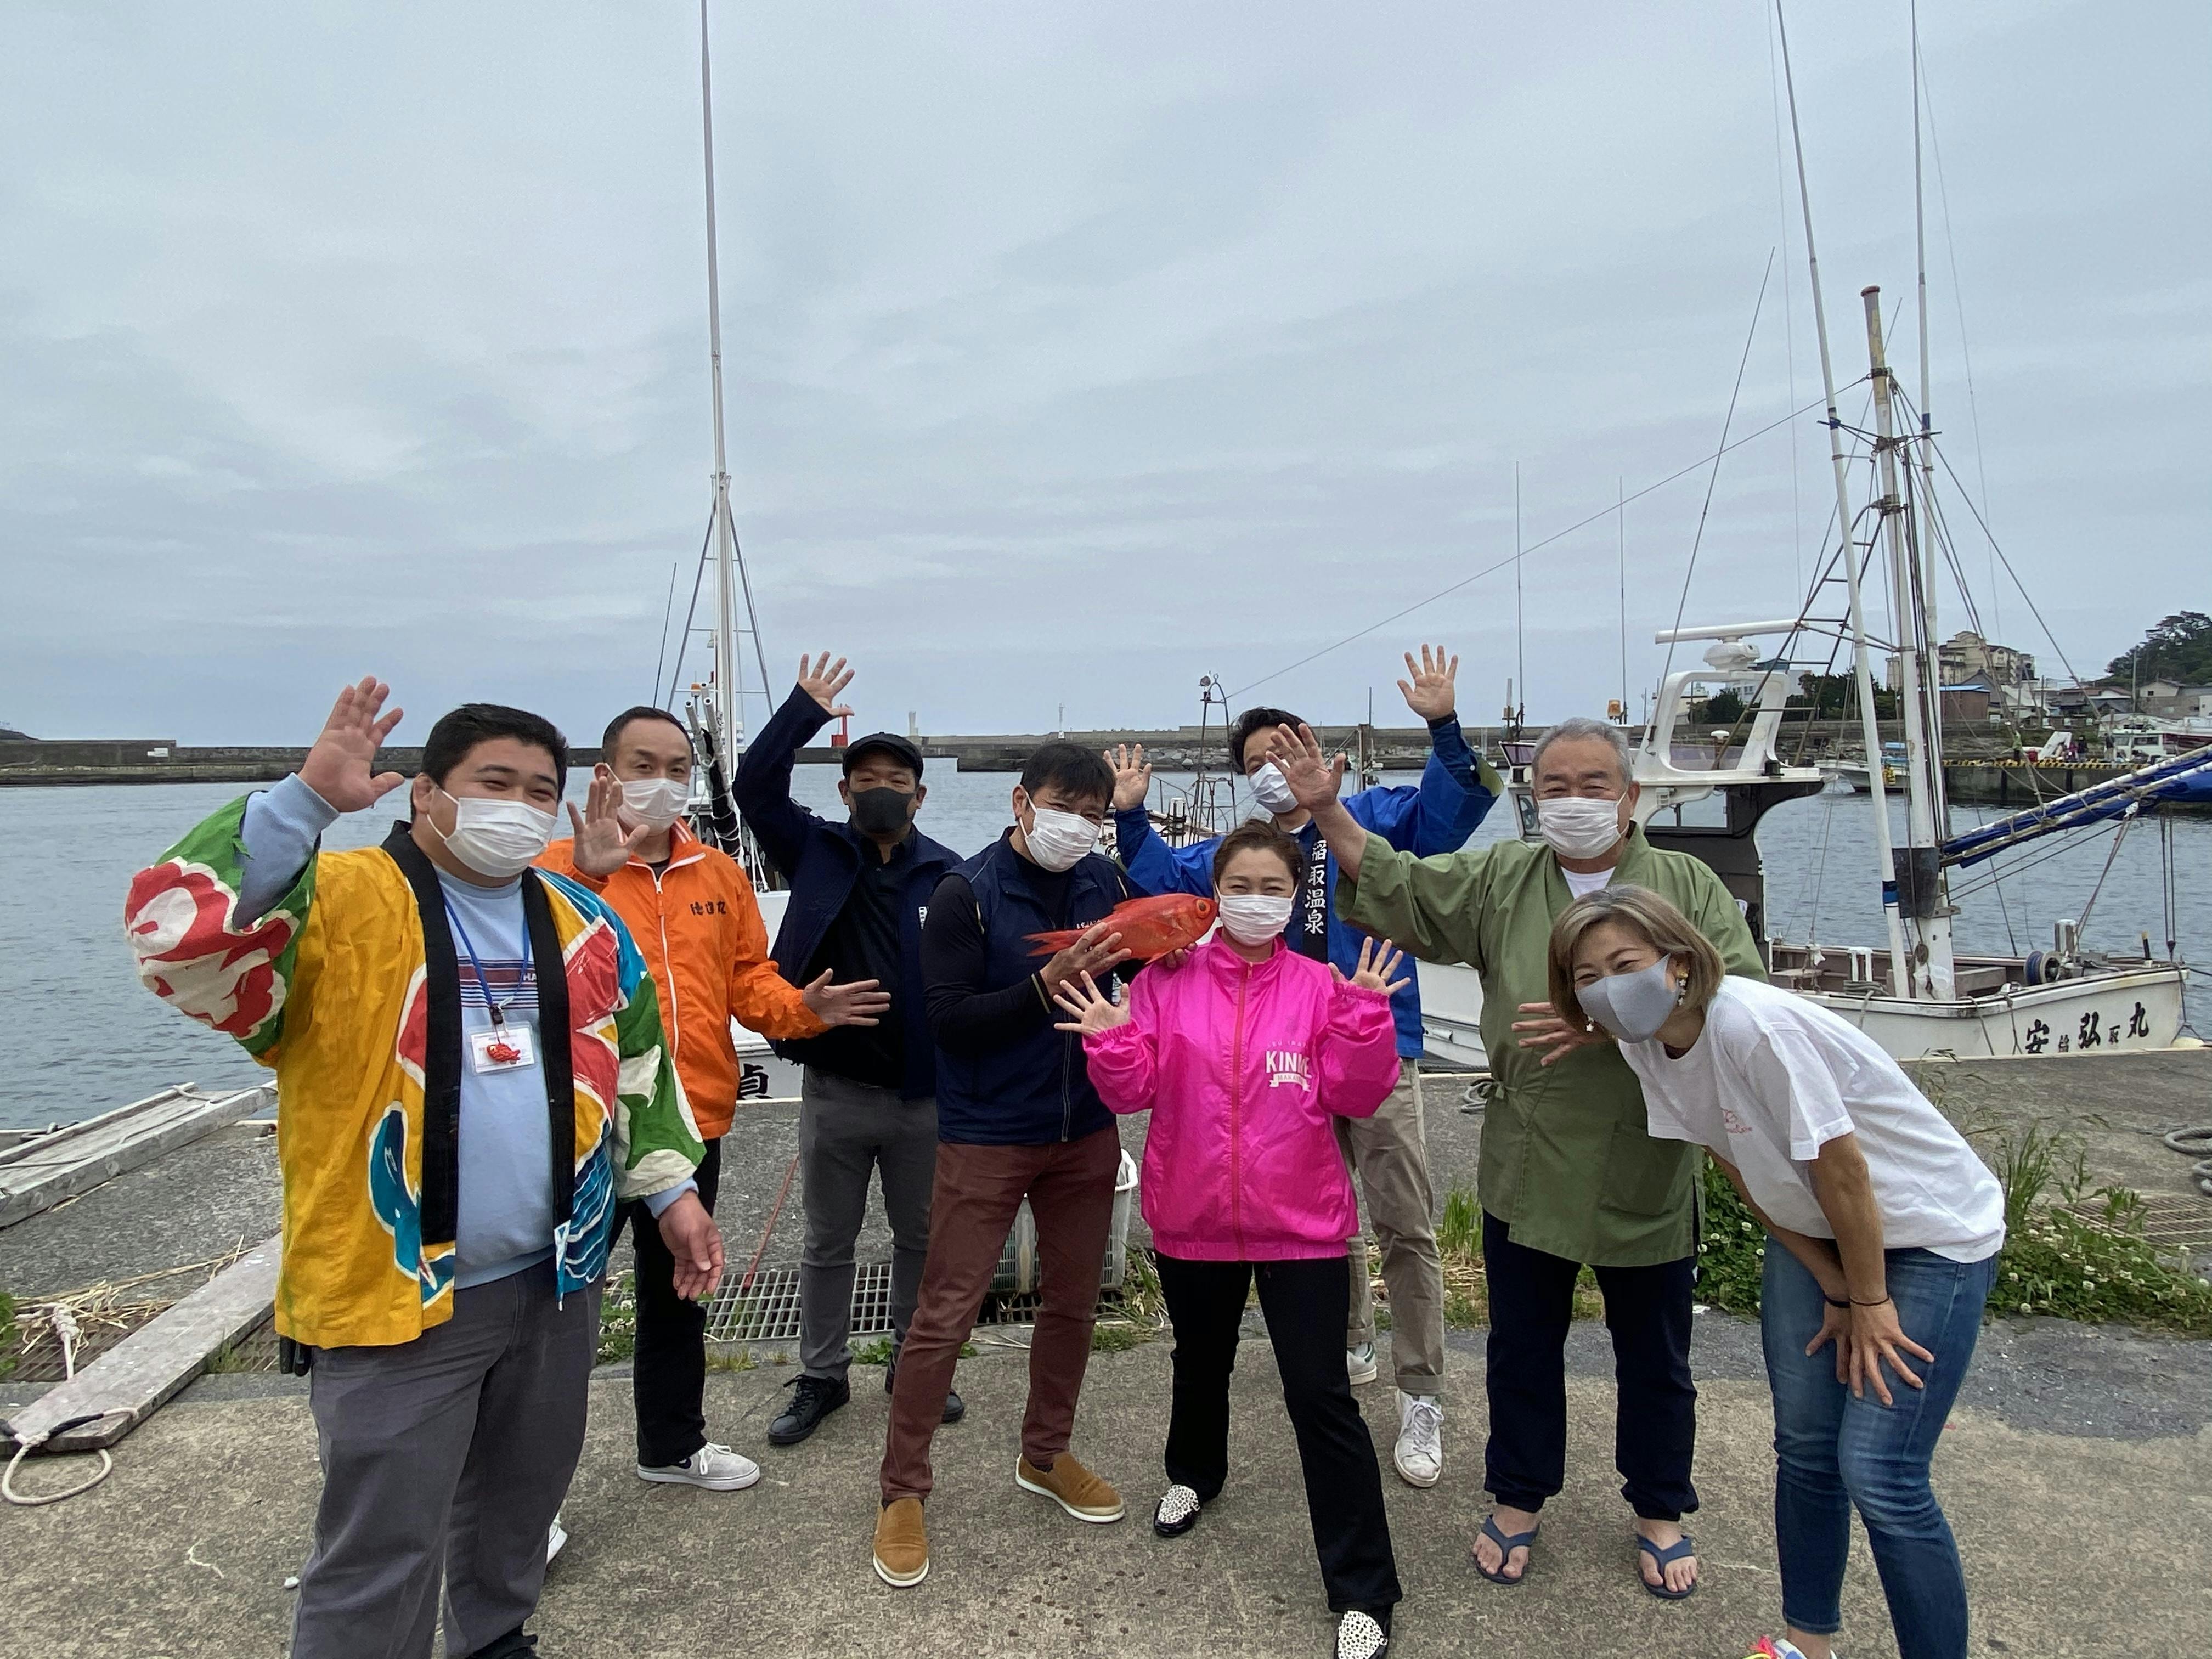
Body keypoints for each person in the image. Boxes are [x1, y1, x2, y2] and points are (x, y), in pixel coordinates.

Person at [124, 680, 715, 1659]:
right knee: (381, 1545)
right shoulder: (339, 899)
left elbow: (637, 1063)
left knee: (520, 1506)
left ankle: (496, 1639)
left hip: (556, 1282)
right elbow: (179, 944)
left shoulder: (580, 918)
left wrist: (672, 1193)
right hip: (394, 1293)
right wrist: (302, 805)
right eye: (495, 782)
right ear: (427, 794)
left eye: (540, 791)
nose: (519, 806)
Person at [1272, 713, 1761, 1598]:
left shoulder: (1686, 882)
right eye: (1555, 786)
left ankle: (1660, 1505)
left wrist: (1612, 1025)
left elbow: (1736, 999)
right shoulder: (1504, 877)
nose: (1574, 801)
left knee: (1656, 1356)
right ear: (1534, 797)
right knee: (1523, 1347)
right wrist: (1329, 812)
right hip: (1530, 1154)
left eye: (1594, 785)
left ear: (1631, 796)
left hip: (1647, 1154)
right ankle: (1519, 1493)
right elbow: (1403, 886)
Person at [1547, 885, 2004, 1659]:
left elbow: (1844, 1169)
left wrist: (1868, 1297)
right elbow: (1738, 1163)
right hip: (1822, 1233)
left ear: (1679, 964)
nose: (1608, 989)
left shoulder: (1750, 1027)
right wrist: (1830, 1281)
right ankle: (1805, 1644)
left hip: (1929, 1233)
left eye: (1625, 965)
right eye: (1586, 977)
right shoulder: (1644, 1045)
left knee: (1881, 1472)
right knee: (1806, 1447)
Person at [1108, 644, 1498, 1489]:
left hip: (1375, 1046)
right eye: (1255, 761)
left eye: (1283, 751)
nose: (1272, 770)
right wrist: (1131, 818)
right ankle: (1350, 1339)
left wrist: (1443, 726)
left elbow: (1451, 818)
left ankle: (1422, 1391)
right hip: (1281, 1065)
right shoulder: (1243, 855)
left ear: (1316, 749)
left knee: (1405, 1222)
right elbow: (1163, 884)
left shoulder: (1372, 816)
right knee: (1327, 1220)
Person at [1056, 820, 1408, 1659]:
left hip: (1304, 1228)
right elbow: (1133, 1092)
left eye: (1272, 888)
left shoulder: (1322, 986)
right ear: (1215, 895)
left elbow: (1356, 1097)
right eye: (1240, 887)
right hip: (1193, 1218)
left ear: (1295, 897)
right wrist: (1110, 1035)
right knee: (1199, 1360)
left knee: (1321, 1397)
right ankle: (1193, 1475)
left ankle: (1364, 1589)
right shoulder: (1166, 980)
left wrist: (1365, 1020)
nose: (1256, 901)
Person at [539, 703, 889, 1491]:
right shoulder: (553, 868)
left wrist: (804, 1008)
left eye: (677, 768)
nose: (662, 782)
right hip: (580, 1127)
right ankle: (528, 1496)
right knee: (556, 1314)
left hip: (690, 1120)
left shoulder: (720, 873)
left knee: (680, 1292)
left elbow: (745, 981)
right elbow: (526, 976)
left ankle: (672, 1446)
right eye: (644, 766)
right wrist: (586, 877)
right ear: (606, 774)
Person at [871, 742, 1136, 1589]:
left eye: (1094, 816)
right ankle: (902, 1488)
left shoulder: (1105, 882)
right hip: (987, 1133)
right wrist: (1042, 985)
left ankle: (1046, 1454)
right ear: (1022, 803)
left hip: (1086, 1126)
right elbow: (948, 1021)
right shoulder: (968, 893)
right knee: (945, 1312)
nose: (1078, 828)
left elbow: (1140, 969)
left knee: (1074, 1302)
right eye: (1064, 809)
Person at [732, 653, 967, 1446]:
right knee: (827, 1241)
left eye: (897, 781)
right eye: (866, 780)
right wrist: (803, 710)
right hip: (835, 1089)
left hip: (924, 1097)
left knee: (922, 1240)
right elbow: (754, 788)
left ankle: (914, 1364)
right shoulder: (815, 850)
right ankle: (823, 1375)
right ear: (843, 793)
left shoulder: (951, 874)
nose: (881, 790)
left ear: (920, 796)